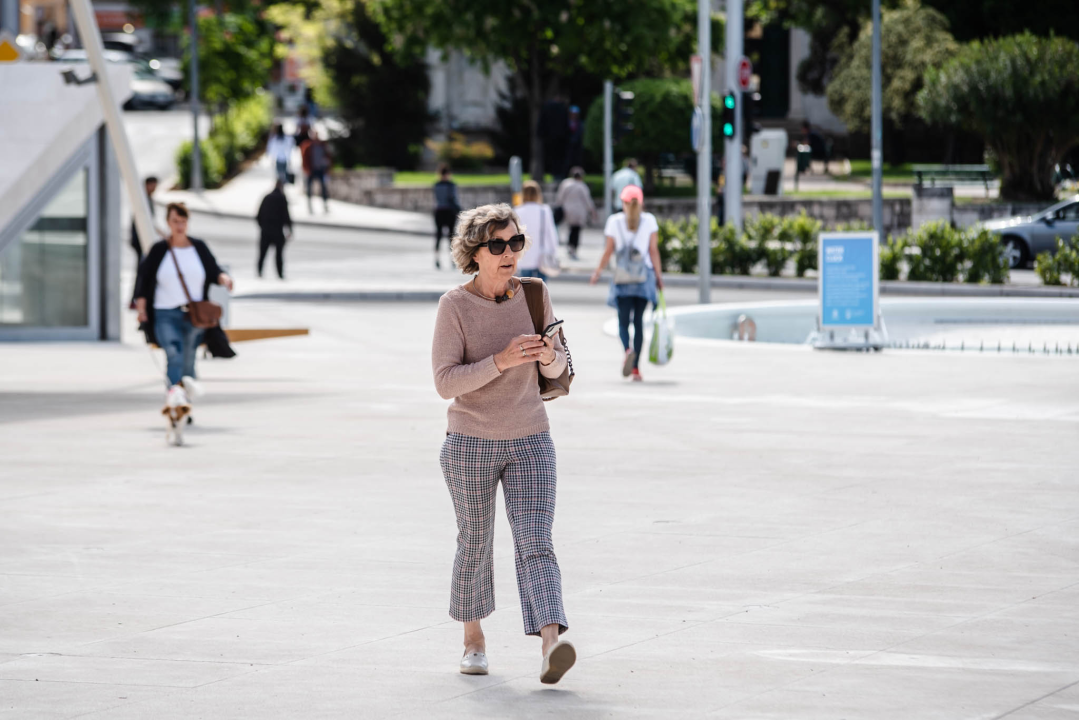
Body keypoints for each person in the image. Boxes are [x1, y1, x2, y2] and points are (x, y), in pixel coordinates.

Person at [432, 203, 576, 685]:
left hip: (532, 439)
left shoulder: (535, 295)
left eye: (515, 242)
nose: (510, 252)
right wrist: (502, 359)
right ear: (475, 254)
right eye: (498, 245)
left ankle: (551, 645)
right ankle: (473, 640)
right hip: (470, 443)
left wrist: (550, 355)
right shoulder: (453, 305)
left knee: (536, 541)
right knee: (474, 542)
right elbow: (445, 381)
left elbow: (560, 374)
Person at [134, 202, 234, 397]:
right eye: (175, 221)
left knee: (188, 359)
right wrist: (141, 310)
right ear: (168, 223)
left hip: (194, 314)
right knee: (173, 353)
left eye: (183, 221)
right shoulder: (159, 250)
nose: (179, 226)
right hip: (165, 312)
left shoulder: (198, 247)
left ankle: (186, 402)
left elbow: (213, 270)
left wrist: (224, 278)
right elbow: (144, 281)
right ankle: (175, 399)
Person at [589, 185, 664, 382]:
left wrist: (597, 272)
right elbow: (653, 251)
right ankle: (637, 369)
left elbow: (608, 251)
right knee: (638, 322)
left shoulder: (614, 221)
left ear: (622, 202)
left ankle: (627, 350)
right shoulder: (649, 220)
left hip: (622, 279)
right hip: (643, 278)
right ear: (641, 202)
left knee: (623, 322)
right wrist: (659, 276)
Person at [514, 181, 558, 281]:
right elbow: (551, 233)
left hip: (524, 256)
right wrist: (554, 251)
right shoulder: (544, 210)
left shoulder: (517, 211)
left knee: (525, 291)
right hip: (542, 255)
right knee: (541, 291)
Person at [129, 176, 160, 308]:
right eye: (153, 185)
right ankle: (135, 299)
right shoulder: (143, 200)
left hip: (143, 239)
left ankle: (135, 299)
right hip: (140, 240)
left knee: (143, 270)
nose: (154, 188)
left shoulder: (147, 199)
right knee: (143, 270)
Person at [555, 167, 595, 261]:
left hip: (567, 210)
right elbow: (588, 201)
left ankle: (569, 246)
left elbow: (560, 198)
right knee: (576, 230)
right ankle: (573, 248)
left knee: (570, 229)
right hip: (579, 211)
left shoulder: (565, 183)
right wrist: (592, 211)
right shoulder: (582, 186)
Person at [256, 181, 292, 279]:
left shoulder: (267, 197)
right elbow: (286, 216)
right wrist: (289, 230)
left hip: (266, 230)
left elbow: (258, 215)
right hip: (277, 231)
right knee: (278, 255)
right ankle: (280, 274)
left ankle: (259, 272)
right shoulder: (282, 198)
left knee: (262, 253)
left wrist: (263, 226)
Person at [433, 164, 461, 269]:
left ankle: (437, 259)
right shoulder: (451, 185)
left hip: (439, 211)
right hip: (449, 211)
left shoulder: (436, 185)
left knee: (438, 236)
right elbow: (453, 198)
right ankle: (452, 260)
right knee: (451, 237)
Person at [300, 131, 332, 214]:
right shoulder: (308, 146)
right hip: (311, 170)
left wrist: (327, 168)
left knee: (323, 188)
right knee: (309, 188)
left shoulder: (323, 146)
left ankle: (325, 205)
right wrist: (306, 169)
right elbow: (304, 159)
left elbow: (328, 157)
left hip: (320, 169)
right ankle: (309, 205)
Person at [564, 105, 583, 172]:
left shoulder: (580, 123)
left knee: (577, 162)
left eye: (575, 114)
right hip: (567, 146)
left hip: (577, 147)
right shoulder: (565, 123)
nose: (574, 115)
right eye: (572, 114)